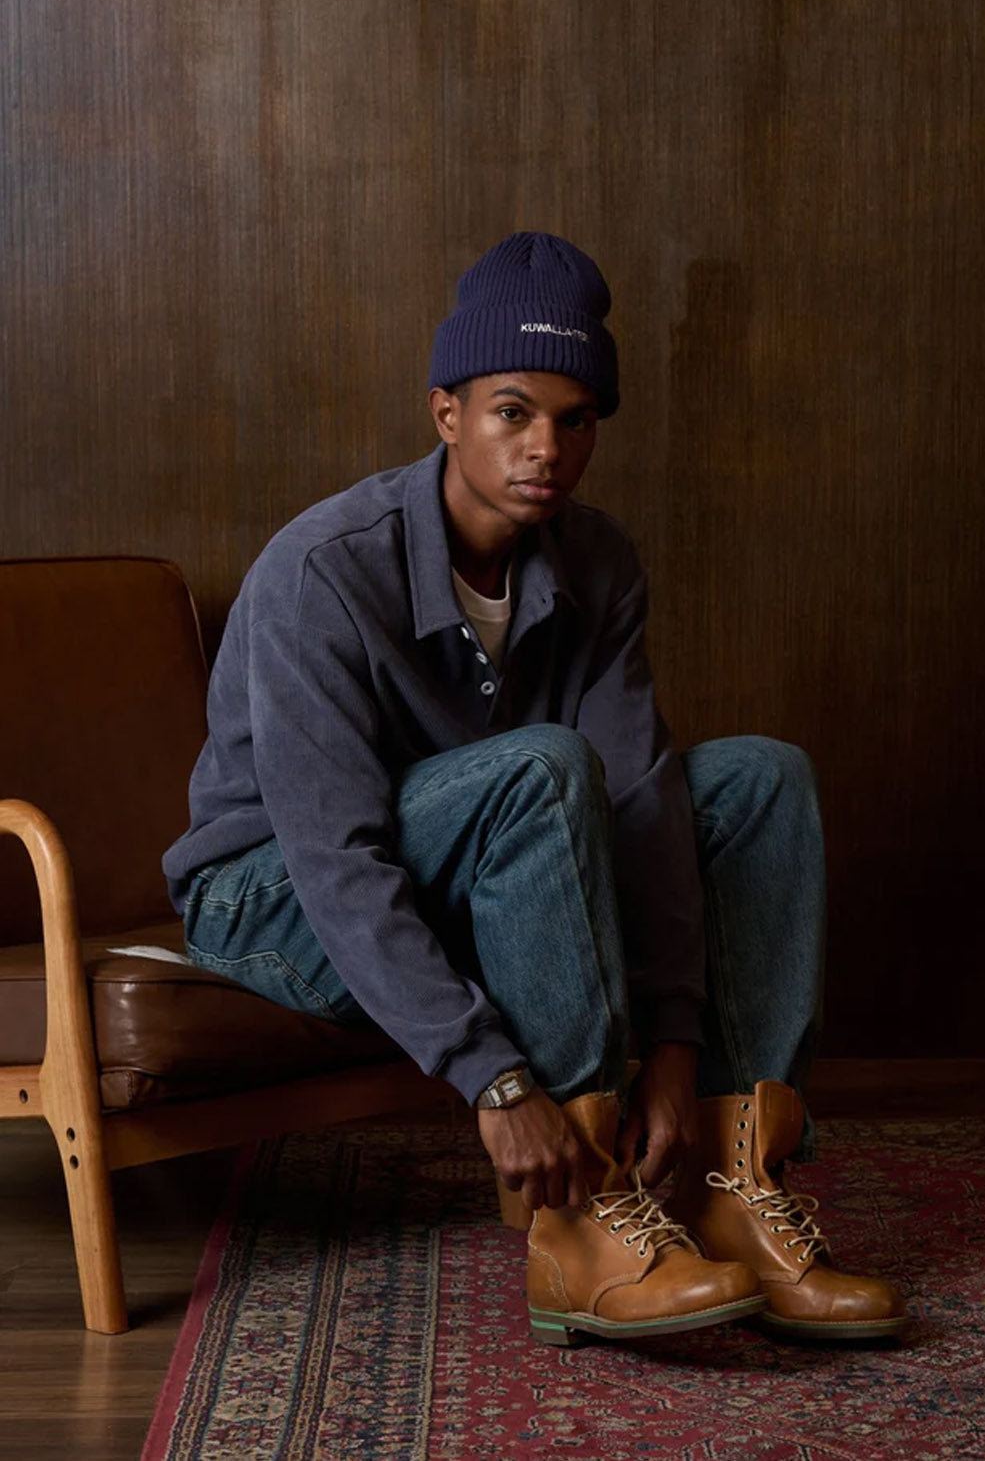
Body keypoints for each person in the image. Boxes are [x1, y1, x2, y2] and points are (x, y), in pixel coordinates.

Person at [163, 232, 907, 1346]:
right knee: (542, 765)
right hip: (271, 896)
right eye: (512, 412)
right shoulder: (324, 569)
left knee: (758, 778)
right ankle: (579, 1224)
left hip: (494, 860)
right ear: (446, 412)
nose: (546, 448)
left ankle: (733, 1186)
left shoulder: (596, 562)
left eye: (576, 418)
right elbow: (332, 855)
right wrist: (495, 1082)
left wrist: (673, 1045)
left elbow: (641, 799)